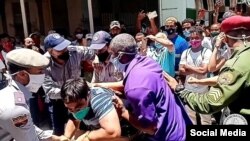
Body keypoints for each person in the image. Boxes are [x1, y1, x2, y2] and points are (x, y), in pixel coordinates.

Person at [168, 15, 250, 125]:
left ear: (225, 37)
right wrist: (197, 80)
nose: (194, 40)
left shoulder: (236, 63)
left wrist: (179, 89)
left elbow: (210, 103)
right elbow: (183, 70)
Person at [110, 33, 192, 141]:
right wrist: (96, 85)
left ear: (120, 55)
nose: (111, 58)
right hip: (182, 129)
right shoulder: (148, 63)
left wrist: (123, 111)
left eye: (112, 54)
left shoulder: (135, 87)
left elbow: (150, 128)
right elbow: (137, 87)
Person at [42, 33, 96, 135]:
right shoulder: (44, 63)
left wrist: (96, 59)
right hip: (58, 100)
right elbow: (50, 91)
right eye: (60, 49)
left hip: (79, 97)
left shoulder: (75, 51)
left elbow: (95, 52)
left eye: (65, 47)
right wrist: (70, 93)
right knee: (59, 132)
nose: (64, 50)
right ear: (50, 51)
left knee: (84, 127)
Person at [0, 48, 54, 141]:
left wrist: (51, 137)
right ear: (22, 74)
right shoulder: (16, 109)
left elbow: (27, 126)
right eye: (40, 72)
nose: (43, 75)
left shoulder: (11, 93)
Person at [52, 78, 121, 141]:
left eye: (78, 108)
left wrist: (87, 137)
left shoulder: (99, 100)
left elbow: (113, 132)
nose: (75, 112)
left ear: (88, 95)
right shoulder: (72, 103)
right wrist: (66, 138)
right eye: (70, 109)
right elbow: (74, 120)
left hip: (122, 129)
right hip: (95, 127)